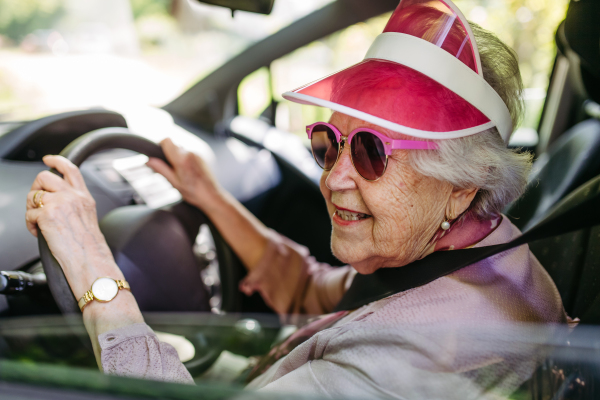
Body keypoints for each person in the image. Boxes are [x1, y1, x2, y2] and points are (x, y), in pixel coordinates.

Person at [25, 0, 572, 398]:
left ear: (461, 188)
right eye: (328, 144)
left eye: (371, 153)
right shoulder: (469, 245)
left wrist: (93, 265)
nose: (334, 179)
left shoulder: (422, 355)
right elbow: (319, 295)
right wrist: (212, 198)